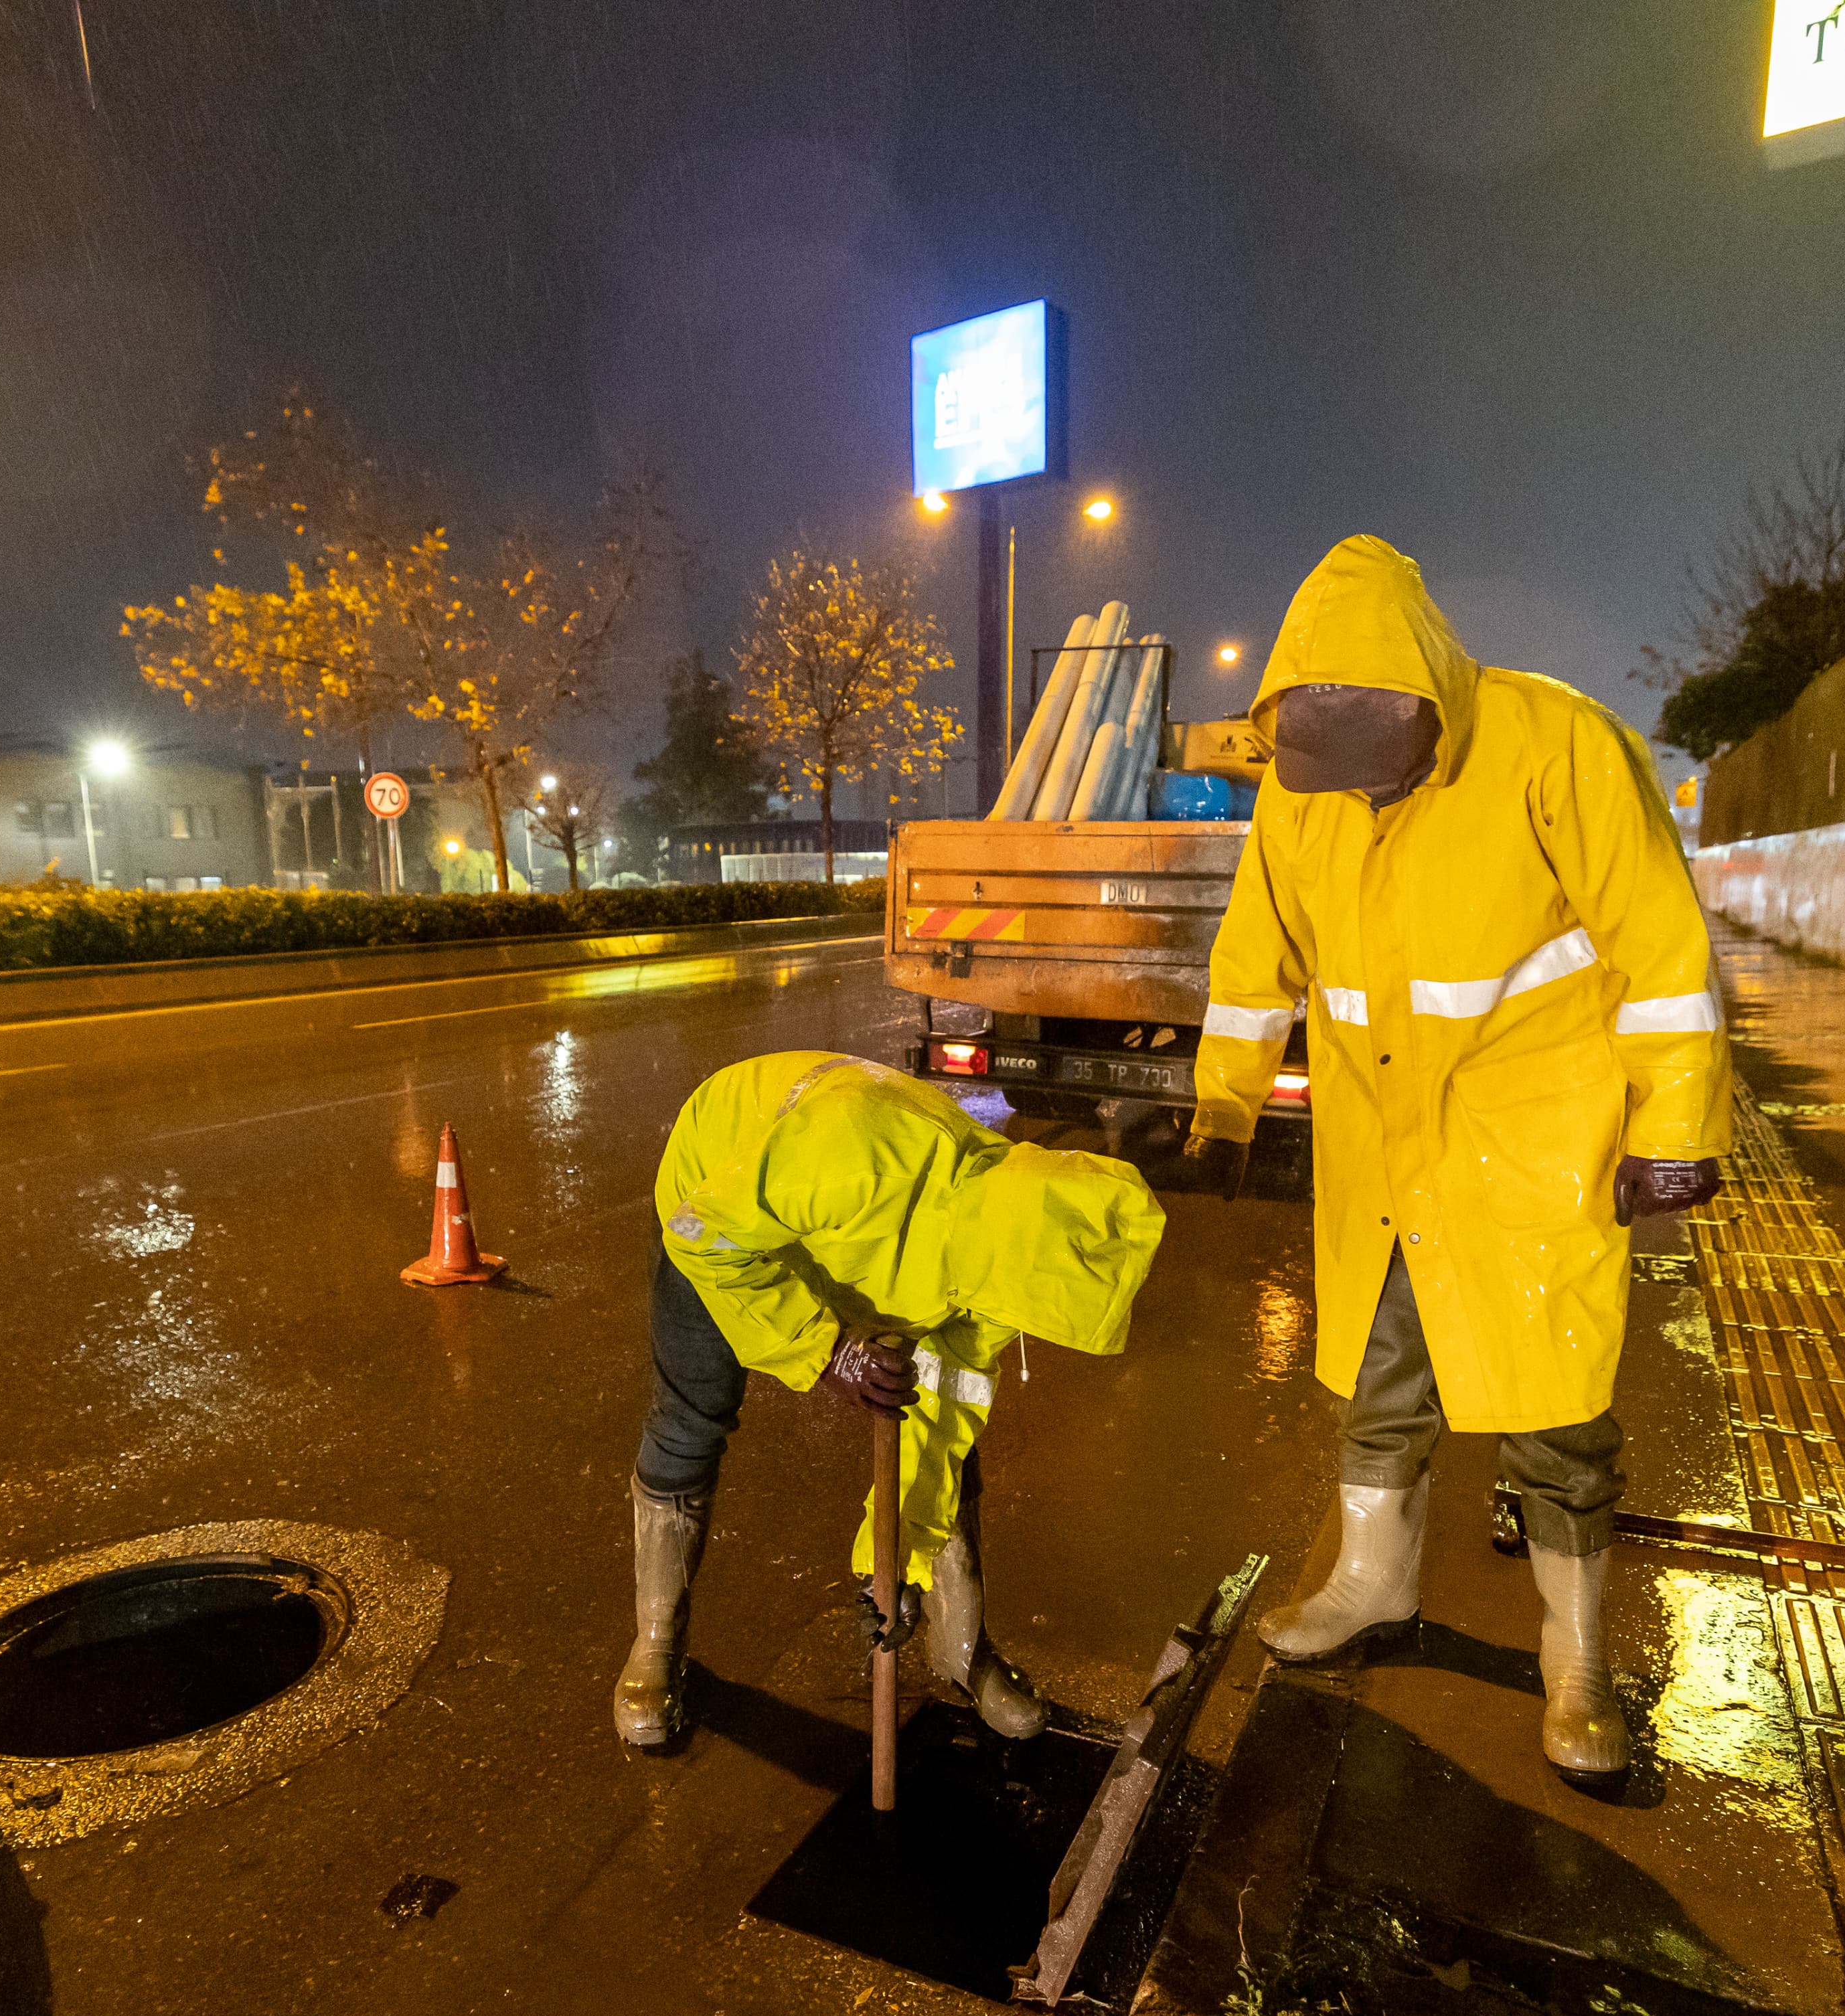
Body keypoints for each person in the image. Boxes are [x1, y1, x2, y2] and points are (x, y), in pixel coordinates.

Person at [1185, 536, 1729, 1779]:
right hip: (1384, 1143)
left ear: (1432, 703)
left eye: (1389, 776)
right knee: (1380, 1377)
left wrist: (1676, 1126)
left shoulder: (1559, 745)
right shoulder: (1297, 792)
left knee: (1554, 1404)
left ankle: (1576, 1658)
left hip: (1537, 1135)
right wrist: (1221, 1099)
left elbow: (1659, 940)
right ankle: (1372, 1582)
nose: (1367, 801)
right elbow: (1253, 950)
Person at [613, 1051, 1168, 1751]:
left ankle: (960, 1652)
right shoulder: (856, 1155)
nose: (1015, 1324)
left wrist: (894, 1561)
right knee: (690, 1417)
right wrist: (826, 1348)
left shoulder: (1004, 1247)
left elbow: (941, 1418)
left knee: (946, 1442)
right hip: (723, 1211)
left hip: (841, 1227)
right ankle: (656, 1643)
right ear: (1003, 1257)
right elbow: (705, 1237)